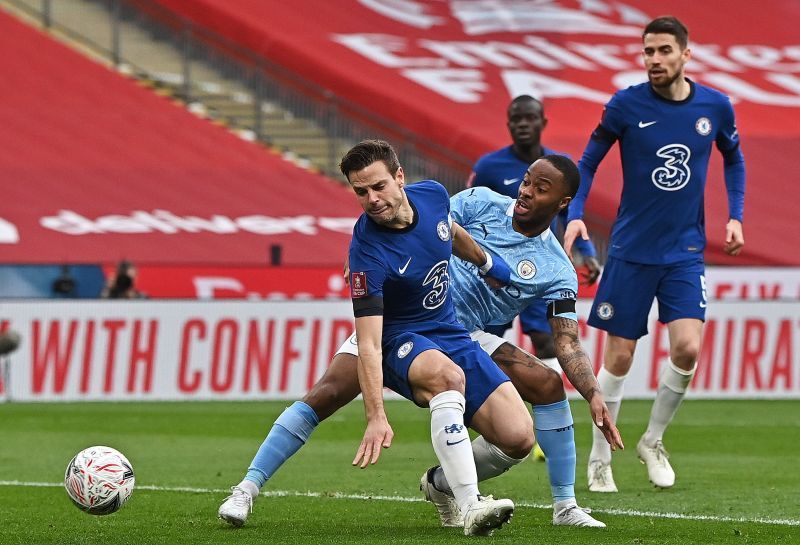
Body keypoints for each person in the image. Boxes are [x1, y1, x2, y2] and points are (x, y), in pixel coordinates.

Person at [218, 153, 623, 529]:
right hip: (396, 324)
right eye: (527, 181)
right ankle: (246, 488)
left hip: (458, 331)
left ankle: (474, 489)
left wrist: (592, 392)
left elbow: (446, 226)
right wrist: (376, 414)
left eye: (540, 187)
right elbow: (377, 327)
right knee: (329, 392)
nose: (525, 190)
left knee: (525, 425)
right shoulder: (479, 201)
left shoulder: (554, 267)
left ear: (562, 202)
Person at [563, 16, 746, 493]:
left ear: (686, 54)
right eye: (648, 52)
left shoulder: (715, 106)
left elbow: (734, 158)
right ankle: (601, 456)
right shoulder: (626, 105)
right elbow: (586, 162)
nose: (655, 60)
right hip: (630, 251)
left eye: (664, 50)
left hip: (684, 251)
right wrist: (577, 212)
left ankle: (653, 440)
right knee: (619, 358)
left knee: (687, 348)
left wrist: (736, 215)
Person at [469, 95, 600, 371]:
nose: (523, 124)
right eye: (517, 119)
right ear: (508, 124)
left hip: (538, 268)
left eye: (530, 118)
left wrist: (586, 252)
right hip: (496, 271)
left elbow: (569, 212)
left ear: (543, 122)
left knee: (546, 341)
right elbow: (468, 210)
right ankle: (482, 400)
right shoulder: (488, 168)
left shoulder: (558, 168)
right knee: (484, 340)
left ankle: (549, 408)